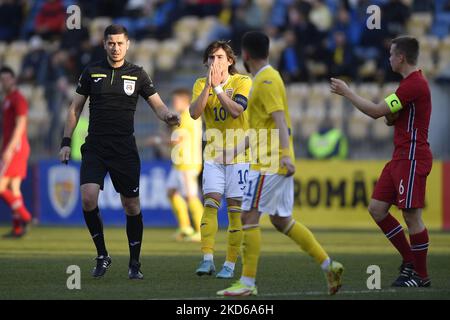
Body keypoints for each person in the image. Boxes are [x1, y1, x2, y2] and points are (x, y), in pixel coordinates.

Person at [218, 31, 344, 297]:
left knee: (248, 215)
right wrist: (234, 151)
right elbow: (258, 128)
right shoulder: (262, 79)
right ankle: (329, 265)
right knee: (281, 220)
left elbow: (280, 120)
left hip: (269, 162)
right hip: (269, 159)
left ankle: (247, 284)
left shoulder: (266, 80)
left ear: (246, 54)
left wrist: (285, 154)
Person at [58, 24, 180, 280]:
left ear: (128, 45)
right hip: (95, 146)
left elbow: (157, 105)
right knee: (88, 198)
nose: (115, 48)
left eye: (120, 43)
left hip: (124, 148)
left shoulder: (138, 74)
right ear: (104, 45)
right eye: (111, 43)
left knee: (131, 206)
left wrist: (168, 116)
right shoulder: (92, 72)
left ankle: (134, 263)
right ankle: (102, 255)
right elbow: (74, 109)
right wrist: (66, 142)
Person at [330, 35, 432, 287]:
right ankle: (410, 260)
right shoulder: (407, 86)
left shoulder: (414, 84)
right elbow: (390, 117)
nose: (388, 58)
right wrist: (393, 116)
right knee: (376, 208)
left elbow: (376, 112)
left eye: (391, 54)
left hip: (411, 156)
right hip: (399, 156)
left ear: (401, 58)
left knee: (412, 217)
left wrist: (347, 92)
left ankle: (421, 276)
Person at [189, 40, 252, 279]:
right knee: (210, 204)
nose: (214, 62)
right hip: (214, 155)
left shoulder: (242, 82)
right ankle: (207, 259)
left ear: (230, 61)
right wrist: (208, 87)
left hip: (240, 156)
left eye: (219, 57)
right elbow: (195, 113)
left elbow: (237, 110)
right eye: (211, 58)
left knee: (235, 212)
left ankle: (230, 264)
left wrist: (217, 89)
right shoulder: (199, 84)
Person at [165, 88, 203, 242]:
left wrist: (158, 141)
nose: (174, 103)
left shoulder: (188, 115)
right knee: (171, 192)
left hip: (188, 162)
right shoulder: (183, 116)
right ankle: (185, 227)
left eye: (176, 100)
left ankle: (202, 231)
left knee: (190, 196)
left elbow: (177, 139)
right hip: (179, 163)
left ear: (185, 101)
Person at [0, 66, 32, 238]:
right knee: (14, 188)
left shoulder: (18, 99)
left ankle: (26, 217)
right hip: (12, 148)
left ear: (13, 80)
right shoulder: (7, 99)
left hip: (16, 149)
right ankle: (18, 228)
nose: (4, 82)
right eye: (2, 79)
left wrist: (10, 148)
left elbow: (20, 125)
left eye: (7, 79)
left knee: (1, 186)